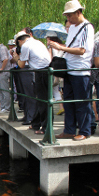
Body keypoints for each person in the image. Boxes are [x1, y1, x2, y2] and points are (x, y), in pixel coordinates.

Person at [50, 0, 94, 141]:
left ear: (78, 12)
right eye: (67, 16)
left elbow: (82, 50)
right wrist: (60, 46)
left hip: (81, 71)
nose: (68, 19)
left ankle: (84, 131)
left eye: (70, 16)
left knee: (82, 103)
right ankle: (69, 130)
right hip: (69, 70)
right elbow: (71, 46)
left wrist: (61, 48)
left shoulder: (87, 27)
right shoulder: (73, 27)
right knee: (68, 102)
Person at [13, 31, 51, 135]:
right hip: (46, 71)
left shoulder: (25, 45)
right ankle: (35, 124)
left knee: (43, 102)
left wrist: (16, 58)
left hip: (41, 72)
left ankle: (46, 128)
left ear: (20, 41)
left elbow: (21, 65)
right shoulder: (38, 42)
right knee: (41, 100)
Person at [45, 31, 65, 115]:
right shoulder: (62, 46)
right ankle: (61, 107)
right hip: (62, 68)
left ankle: (57, 107)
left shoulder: (51, 47)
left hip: (54, 69)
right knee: (59, 89)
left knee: (53, 88)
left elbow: (49, 58)